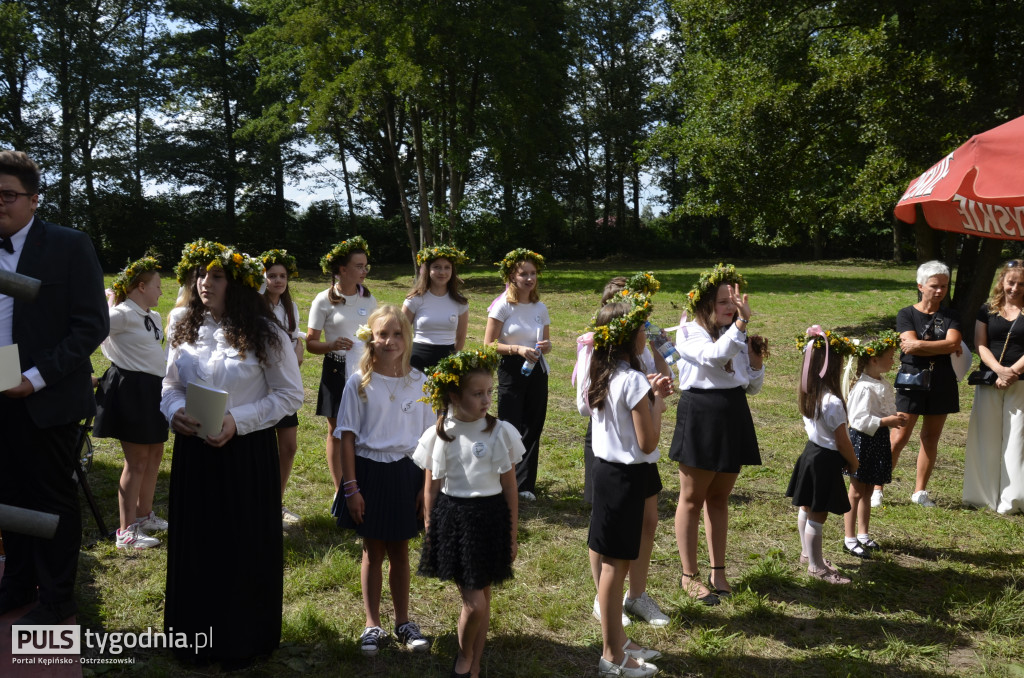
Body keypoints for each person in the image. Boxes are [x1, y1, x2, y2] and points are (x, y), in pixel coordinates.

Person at [161, 242, 303, 666]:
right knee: (197, 544)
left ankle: (241, 639)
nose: (205, 283)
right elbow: (170, 385)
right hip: (195, 453)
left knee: (240, 547)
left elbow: (289, 393)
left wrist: (237, 421)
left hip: (245, 455)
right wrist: (174, 413)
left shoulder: (265, 331)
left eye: (216, 276)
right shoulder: (182, 323)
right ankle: (192, 636)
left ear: (237, 283)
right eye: (200, 275)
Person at [0, 150, 109, 624]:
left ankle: (57, 598)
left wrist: (34, 378)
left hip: (47, 393)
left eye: (7, 195)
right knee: (8, 497)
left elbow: (90, 325)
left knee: (49, 500)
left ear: (33, 200)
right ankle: (17, 584)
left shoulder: (68, 245)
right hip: (0, 379)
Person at [414, 347, 522, 678]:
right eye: (478, 394)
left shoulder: (499, 431)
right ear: (454, 395)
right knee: (475, 603)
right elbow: (431, 487)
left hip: (490, 519)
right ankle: (463, 657)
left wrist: (512, 532)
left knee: (484, 598)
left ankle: (474, 666)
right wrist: (431, 527)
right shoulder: (441, 433)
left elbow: (509, 486)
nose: (487, 399)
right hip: (456, 521)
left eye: (490, 392)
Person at [333, 306, 434, 657]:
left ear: (407, 338)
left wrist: (424, 487)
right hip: (369, 473)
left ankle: (404, 621)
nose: (389, 341)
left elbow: (429, 438)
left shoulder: (421, 383)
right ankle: (372, 623)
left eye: (397, 334)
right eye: (382, 334)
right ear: (370, 338)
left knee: (401, 550)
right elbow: (346, 437)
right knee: (373, 550)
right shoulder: (359, 382)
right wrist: (351, 488)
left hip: (406, 473)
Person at [574, 272, 672, 628]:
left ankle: (636, 595)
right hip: (616, 452)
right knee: (606, 531)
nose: (648, 326)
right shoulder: (597, 352)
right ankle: (606, 599)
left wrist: (651, 384)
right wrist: (651, 402)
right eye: (642, 322)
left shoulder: (636, 355)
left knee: (646, 522)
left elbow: (649, 379)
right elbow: (587, 404)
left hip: (639, 458)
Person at [668, 264, 764, 605]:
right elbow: (711, 358)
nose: (730, 306)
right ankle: (688, 575)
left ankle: (718, 571)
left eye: (734, 300)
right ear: (704, 303)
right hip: (702, 413)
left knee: (720, 498)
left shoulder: (734, 332)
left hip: (733, 412)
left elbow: (751, 386)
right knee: (692, 499)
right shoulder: (689, 331)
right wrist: (739, 327)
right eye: (723, 300)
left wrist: (755, 361)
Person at [93, 255, 169, 550]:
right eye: (158, 286)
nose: (162, 291)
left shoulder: (153, 316)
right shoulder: (122, 314)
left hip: (153, 389)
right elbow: (92, 330)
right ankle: (126, 531)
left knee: (154, 454)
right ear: (140, 286)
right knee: (136, 461)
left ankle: (144, 513)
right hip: (131, 390)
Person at [887, 260, 963, 508]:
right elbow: (907, 343)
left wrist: (920, 346)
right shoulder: (906, 314)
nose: (940, 291)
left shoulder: (951, 315)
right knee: (898, 436)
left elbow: (953, 344)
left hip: (942, 381)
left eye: (944, 286)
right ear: (920, 285)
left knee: (931, 438)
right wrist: (938, 347)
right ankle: (875, 486)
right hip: (912, 381)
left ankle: (920, 492)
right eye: (934, 286)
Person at [786, 326, 859, 585]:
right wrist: (853, 461)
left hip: (810, 454)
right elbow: (842, 440)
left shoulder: (810, 394)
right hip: (825, 460)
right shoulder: (832, 402)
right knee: (819, 514)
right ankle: (816, 567)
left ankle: (808, 554)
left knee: (807, 506)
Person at [307, 236, 376, 493]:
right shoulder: (323, 300)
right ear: (342, 270)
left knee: (363, 426)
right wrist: (331, 345)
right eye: (359, 266)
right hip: (336, 369)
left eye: (366, 266)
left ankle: (361, 480)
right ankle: (340, 489)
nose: (364, 271)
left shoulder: (368, 299)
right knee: (336, 429)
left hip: (364, 370)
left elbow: (376, 334)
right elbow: (311, 343)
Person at [484, 248, 552, 501]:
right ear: (512, 276)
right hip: (511, 369)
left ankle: (525, 485)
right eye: (524, 273)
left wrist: (545, 346)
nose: (529, 278)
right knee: (510, 426)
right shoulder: (503, 306)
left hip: (537, 369)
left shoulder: (540, 307)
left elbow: (547, 342)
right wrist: (516, 349)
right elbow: (488, 344)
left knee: (533, 425)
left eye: (533, 273)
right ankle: (503, 481)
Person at [963, 260, 1024, 514]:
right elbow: (980, 344)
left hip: (1020, 383)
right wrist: (999, 371)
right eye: (1011, 282)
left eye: (1021, 284)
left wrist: (1012, 372)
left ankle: (1013, 500)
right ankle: (981, 496)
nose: (1015, 288)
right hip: (990, 380)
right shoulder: (987, 309)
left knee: (1017, 440)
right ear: (1002, 281)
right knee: (984, 437)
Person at [842, 332, 905, 558]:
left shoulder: (881, 383)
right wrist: (886, 421)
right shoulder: (863, 387)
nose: (893, 361)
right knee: (857, 491)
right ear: (873, 359)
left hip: (877, 439)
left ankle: (863, 534)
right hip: (863, 441)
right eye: (889, 357)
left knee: (868, 491)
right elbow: (857, 420)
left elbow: (883, 410)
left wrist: (893, 417)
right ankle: (849, 538)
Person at [261, 249, 305, 525]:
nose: (278, 281)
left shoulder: (289, 307)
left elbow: (296, 337)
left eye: (283, 276)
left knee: (288, 446)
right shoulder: (255, 304)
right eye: (272, 275)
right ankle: (260, 502)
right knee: (263, 447)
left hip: (285, 384)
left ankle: (276, 500)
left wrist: (298, 349)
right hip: (261, 384)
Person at [402, 244, 470, 372]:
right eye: (437, 267)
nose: (442, 272)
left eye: (447, 267)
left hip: (447, 363)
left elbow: (461, 337)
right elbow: (401, 331)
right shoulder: (415, 299)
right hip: (418, 361)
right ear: (428, 269)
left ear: (452, 271)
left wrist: (454, 361)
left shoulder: (460, 302)